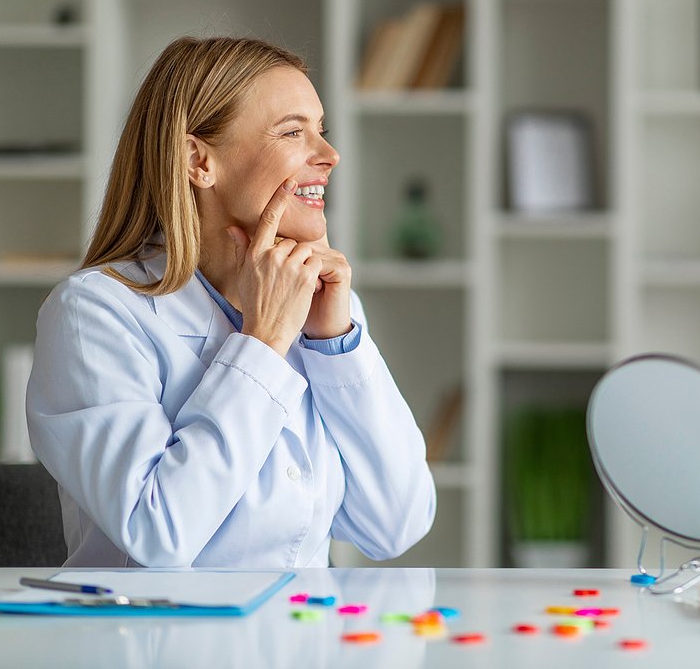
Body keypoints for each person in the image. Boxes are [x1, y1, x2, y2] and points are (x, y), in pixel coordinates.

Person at [27, 36, 436, 567]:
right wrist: (262, 345)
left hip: (299, 646)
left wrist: (336, 345)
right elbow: (159, 534)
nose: (329, 156)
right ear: (199, 161)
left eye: (322, 131)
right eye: (293, 132)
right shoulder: (93, 314)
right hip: (153, 646)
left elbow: (396, 526)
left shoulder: (319, 310)